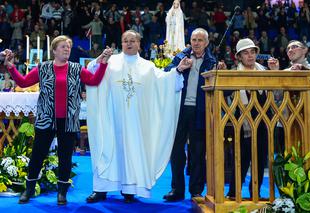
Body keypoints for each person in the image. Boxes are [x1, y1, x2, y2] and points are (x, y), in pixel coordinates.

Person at [2, 35, 112, 205]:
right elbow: (23, 83)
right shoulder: (43, 67)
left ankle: (62, 193)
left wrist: (103, 62)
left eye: (68, 47)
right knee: (38, 155)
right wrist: (11, 67)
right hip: (46, 119)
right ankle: (29, 189)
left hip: (68, 120)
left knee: (66, 157)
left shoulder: (77, 68)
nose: (67, 49)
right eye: (62, 47)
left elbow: (94, 80)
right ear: (54, 51)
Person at [85, 30, 189, 203]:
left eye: (132, 40)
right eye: (125, 40)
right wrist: (100, 59)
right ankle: (101, 190)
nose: (128, 43)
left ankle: (129, 189)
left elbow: (164, 81)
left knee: (132, 150)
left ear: (139, 44)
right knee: (107, 149)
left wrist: (178, 70)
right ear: (121, 43)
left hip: (136, 121)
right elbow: (91, 71)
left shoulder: (147, 66)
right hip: (113, 117)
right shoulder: (111, 61)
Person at [163, 28, 218, 201]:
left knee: (197, 152)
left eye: (200, 40)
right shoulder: (181, 56)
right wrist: (179, 68)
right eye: (194, 39)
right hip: (180, 110)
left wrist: (219, 72)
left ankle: (196, 190)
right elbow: (166, 74)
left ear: (206, 43)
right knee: (177, 151)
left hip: (200, 111)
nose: (196, 43)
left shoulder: (212, 61)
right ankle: (177, 190)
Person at [226, 38, 269, 198]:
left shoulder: (265, 71)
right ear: (239, 57)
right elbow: (225, 95)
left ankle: (255, 194)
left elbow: (276, 96)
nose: (250, 56)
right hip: (241, 124)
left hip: (264, 124)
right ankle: (232, 193)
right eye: (246, 53)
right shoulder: (233, 74)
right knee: (241, 160)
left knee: (259, 160)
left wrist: (276, 69)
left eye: (252, 52)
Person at [268, 40, 310, 169]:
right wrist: (275, 72)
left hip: (308, 123)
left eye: (295, 47)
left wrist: (302, 70)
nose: (290, 50)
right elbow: (277, 96)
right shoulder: (284, 72)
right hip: (285, 123)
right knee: (286, 166)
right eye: (288, 49)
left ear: (305, 50)